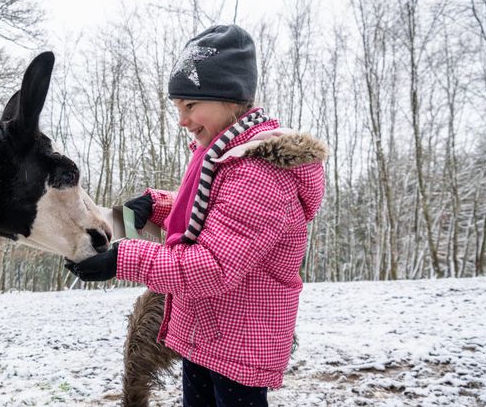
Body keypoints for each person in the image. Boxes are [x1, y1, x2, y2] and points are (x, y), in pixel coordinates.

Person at [66, 24, 327, 407]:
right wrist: (155, 207)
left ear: (230, 99)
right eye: (177, 108)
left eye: (190, 106)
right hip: (207, 329)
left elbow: (215, 264)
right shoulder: (224, 155)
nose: (182, 120)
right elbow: (218, 212)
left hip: (239, 341)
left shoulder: (260, 172)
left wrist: (121, 259)